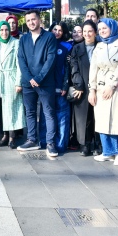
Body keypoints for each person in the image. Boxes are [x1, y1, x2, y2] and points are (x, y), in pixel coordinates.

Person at [89, 18, 118, 166]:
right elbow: (93, 69)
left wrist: (112, 85)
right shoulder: (99, 46)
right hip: (100, 86)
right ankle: (107, 151)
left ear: (112, 28)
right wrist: (92, 89)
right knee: (101, 120)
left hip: (117, 86)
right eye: (100, 29)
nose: (102, 31)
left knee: (115, 120)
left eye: (104, 28)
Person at [16, 10, 58, 156]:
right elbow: (21, 59)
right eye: (28, 21)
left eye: (33, 19)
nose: (31, 23)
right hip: (28, 83)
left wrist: (38, 78)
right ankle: (32, 139)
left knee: (49, 113)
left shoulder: (49, 37)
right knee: (30, 112)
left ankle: (50, 143)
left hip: (45, 83)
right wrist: (29, 78)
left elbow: (50, 60)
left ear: (39, 20)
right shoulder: (23, 39)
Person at [0, 21, 25, 149]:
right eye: (1, 30)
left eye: (6, 30)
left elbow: (19, 65)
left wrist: (18, 82)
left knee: (12, 109)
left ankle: (12, 137)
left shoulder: (16, 43)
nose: (4, 32)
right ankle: (4, 135)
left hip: (11, 78)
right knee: (1, 109)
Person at [69, 20, 99, 156]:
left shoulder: (101, 46)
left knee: (98, 117)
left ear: (95, 32)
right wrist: (78, 85)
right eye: (85, 31)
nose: (87, 34)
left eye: (90, 31)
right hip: (83, 87)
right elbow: (74, 68)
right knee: (84, 118)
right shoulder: (77, 48)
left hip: (99, 87)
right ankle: (85, 143)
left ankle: (98, 143)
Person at [50, 22, 72, 153]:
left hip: (61, 87)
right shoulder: (46, 43)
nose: (57, 32)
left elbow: (68, 68)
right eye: (55, 29)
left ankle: (61, 144)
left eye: (60, 30)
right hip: (47, 88)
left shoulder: (67, 46)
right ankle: (45, 141)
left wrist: (65, 85)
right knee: (47, 116)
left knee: (62, 117)